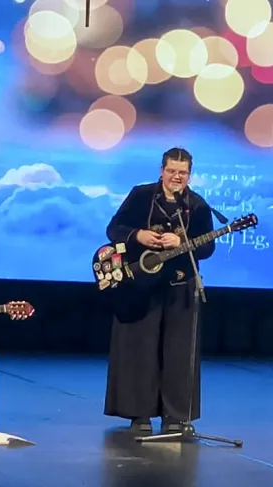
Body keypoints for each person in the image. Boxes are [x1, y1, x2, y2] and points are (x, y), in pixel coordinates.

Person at [103, 147, 215, 434]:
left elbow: (207, 248)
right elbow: (114, 229)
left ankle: (175, 415)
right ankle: (139, 414)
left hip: (179, 286)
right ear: (161, 171)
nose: (177, 177)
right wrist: (138, 235)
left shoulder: (198, 206)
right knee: (140, 350)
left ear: (190, 175)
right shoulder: (141, 196)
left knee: (178, 354)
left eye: (182, 173)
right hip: (141, 286)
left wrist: (181, 243)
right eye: (172, 171)